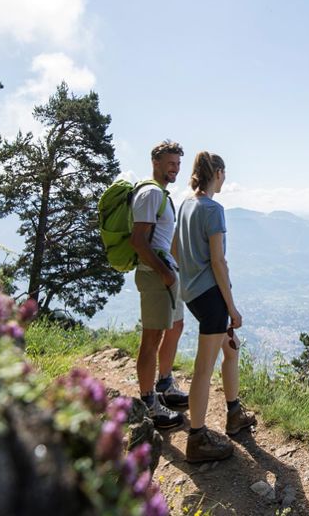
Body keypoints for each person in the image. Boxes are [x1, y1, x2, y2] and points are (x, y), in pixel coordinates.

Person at [174, 151, 255, 462]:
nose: (225, 179)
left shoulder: (185, 206)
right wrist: (231, 309)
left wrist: (189, 276)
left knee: (230, 351)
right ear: (217, 173)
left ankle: (234, 414)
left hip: (193, 293)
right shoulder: (213, 209)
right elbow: (219, 261)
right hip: (212, 299)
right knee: (203, 369)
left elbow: (175, 249)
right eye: (225, 173)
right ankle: (196, 439)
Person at [131, 140, 189, 429]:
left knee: (176, 326)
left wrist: (174, 271)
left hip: (166, 273)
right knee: (151, 340)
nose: (174, 168)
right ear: (155, 162)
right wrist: (164, 273)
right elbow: (138, 241)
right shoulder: (151, 194)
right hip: (154, 275)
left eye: (178, 163)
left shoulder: (163, 194)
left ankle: (165, 384)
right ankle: (148, 403)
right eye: (170, 163)